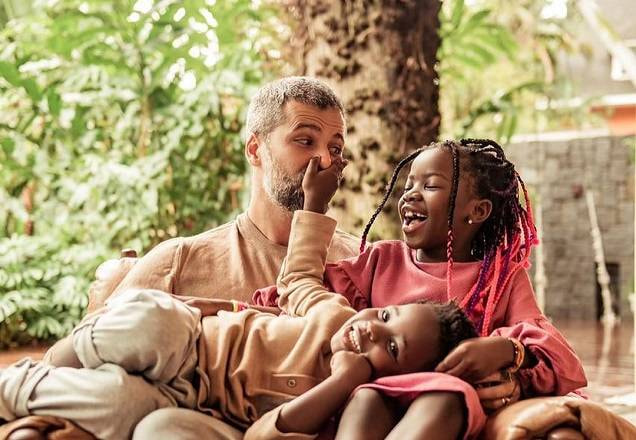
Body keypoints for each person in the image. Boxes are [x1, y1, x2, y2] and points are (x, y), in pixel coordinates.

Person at [0, 157, 480, 440]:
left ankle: (13, 390)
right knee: (151, 322)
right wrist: (313, 207)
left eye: (390, 348)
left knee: (140, 420)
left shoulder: (344, 408)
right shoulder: (336, 316)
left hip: (195, 403)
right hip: (193, 342)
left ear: (397, 380)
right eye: (389, 315)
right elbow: (298, 279)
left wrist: (338, 384)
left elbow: (260, 435)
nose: (374, 328)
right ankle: (61, 358)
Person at [0, 76, 361, 440]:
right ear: (255, 150)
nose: (326, 159)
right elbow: (81, 370)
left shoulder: (360, 263)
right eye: (305, 140)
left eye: (336, 147)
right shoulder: (181, 258)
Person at [255, 139, 587, 439]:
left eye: (430, 186)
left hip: (450, 410)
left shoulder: (502, 278)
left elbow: (563, 361)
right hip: (372, 400)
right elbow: (297, 291)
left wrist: (506, 351)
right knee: (369, 397)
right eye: (409, 183)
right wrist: (313, 206)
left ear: (478, 211)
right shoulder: (381, 261)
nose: (410, 194)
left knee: (447, 398)